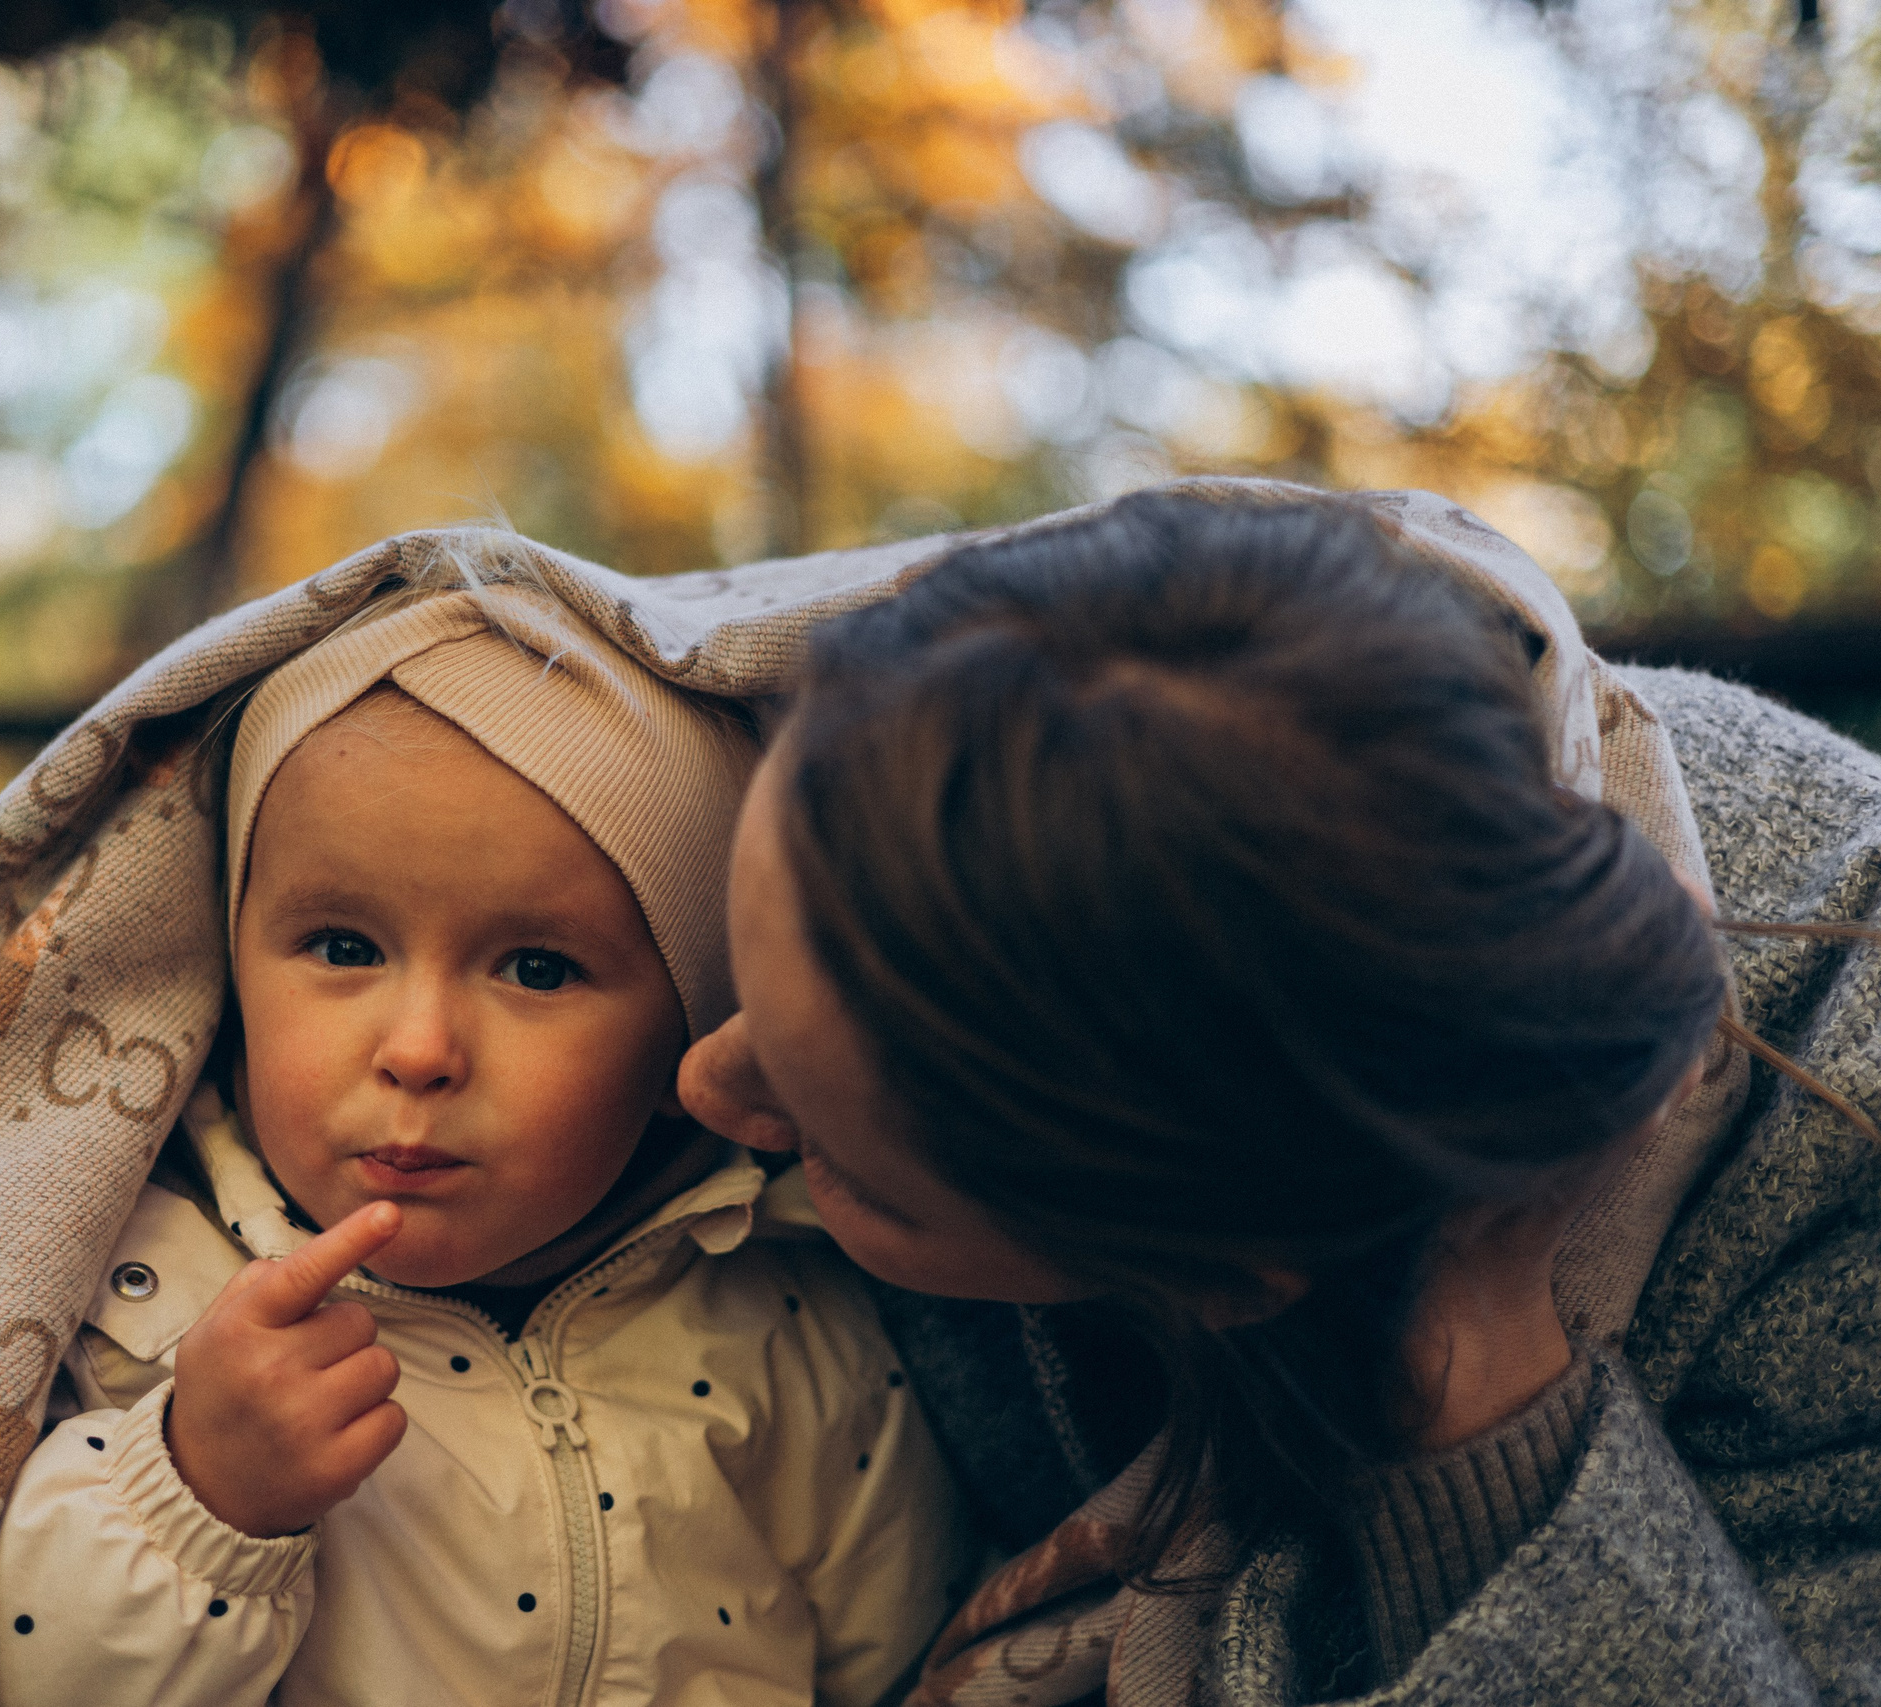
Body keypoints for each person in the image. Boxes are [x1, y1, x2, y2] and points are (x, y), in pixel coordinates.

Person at [679, 489, 1880, 1705]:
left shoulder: (1838, 1223)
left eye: (840, 1155)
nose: (701, 1085)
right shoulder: (1150, 717)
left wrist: (1474, 1366)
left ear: (1234, 1275)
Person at [0, 583, 963, 1707]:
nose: (419, 1049)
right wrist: (196, 1497)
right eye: (343, 945)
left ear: (685, 1044)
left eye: (537, 968)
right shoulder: (135, 1297)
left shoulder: (790, 1325)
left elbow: (907, 1662)